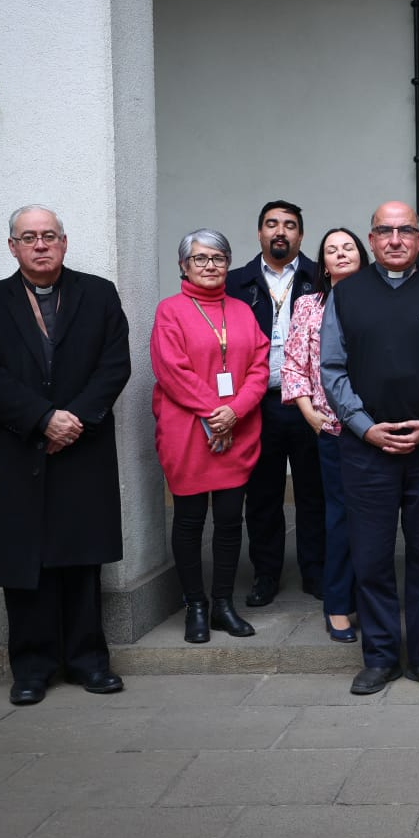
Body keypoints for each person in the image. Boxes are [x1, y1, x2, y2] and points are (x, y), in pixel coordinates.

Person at [0, 205, 131, 705]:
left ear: (64, 242)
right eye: (29, 237)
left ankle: (88, 662)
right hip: (19, 446)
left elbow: (114, 364)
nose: (40, 244)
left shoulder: (98, 294)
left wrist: (74, 419)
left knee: (81, 558)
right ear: (12, 247)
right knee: (25, 560)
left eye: (49, 236)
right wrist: (42, 418)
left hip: (83, 444)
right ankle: (31, 668)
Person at [321, 200, 419, 695]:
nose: (396, 239)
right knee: (371, 555)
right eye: (385, 231)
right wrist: (364, 427)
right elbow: (332, 370)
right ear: (371, 237)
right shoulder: (346, 296)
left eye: (405, 230)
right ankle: (380, 656)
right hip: (366, 450)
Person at [150, 230, 271, 643]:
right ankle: (195, 606)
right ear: (183, 266)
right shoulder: (170, 311)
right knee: (188, 520)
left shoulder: (241, 310)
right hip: (187, 430)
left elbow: (259, 365)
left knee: (229, 520)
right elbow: (171, 370)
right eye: (199, 259)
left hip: (236, 428)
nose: (209, 266)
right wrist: (213, 414)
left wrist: (233, 412)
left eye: (218, 258)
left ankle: (222, 604)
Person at [225, 200, 324, 608]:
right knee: (262, 494)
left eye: (289, 225)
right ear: (259, 232)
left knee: (313, 492)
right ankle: (265, 573)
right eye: (271, 224)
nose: (280, 231)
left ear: (301, 235)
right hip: (257, 403)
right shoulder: (236, 283)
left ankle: (316, 570)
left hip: (309, 405)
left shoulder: (322, 278)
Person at [282, 227, 367, 643]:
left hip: (377, 429)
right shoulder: (308, 305)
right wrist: (311, 416)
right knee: (340, 519)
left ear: (362, 254)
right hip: (332, 428)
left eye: (348, 247)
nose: (340, 253)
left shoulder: (380, 299)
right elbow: (294, 366)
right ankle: (337, 606)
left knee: (374, 521)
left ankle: (369, 601)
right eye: (331, 250)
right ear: (323, 262)